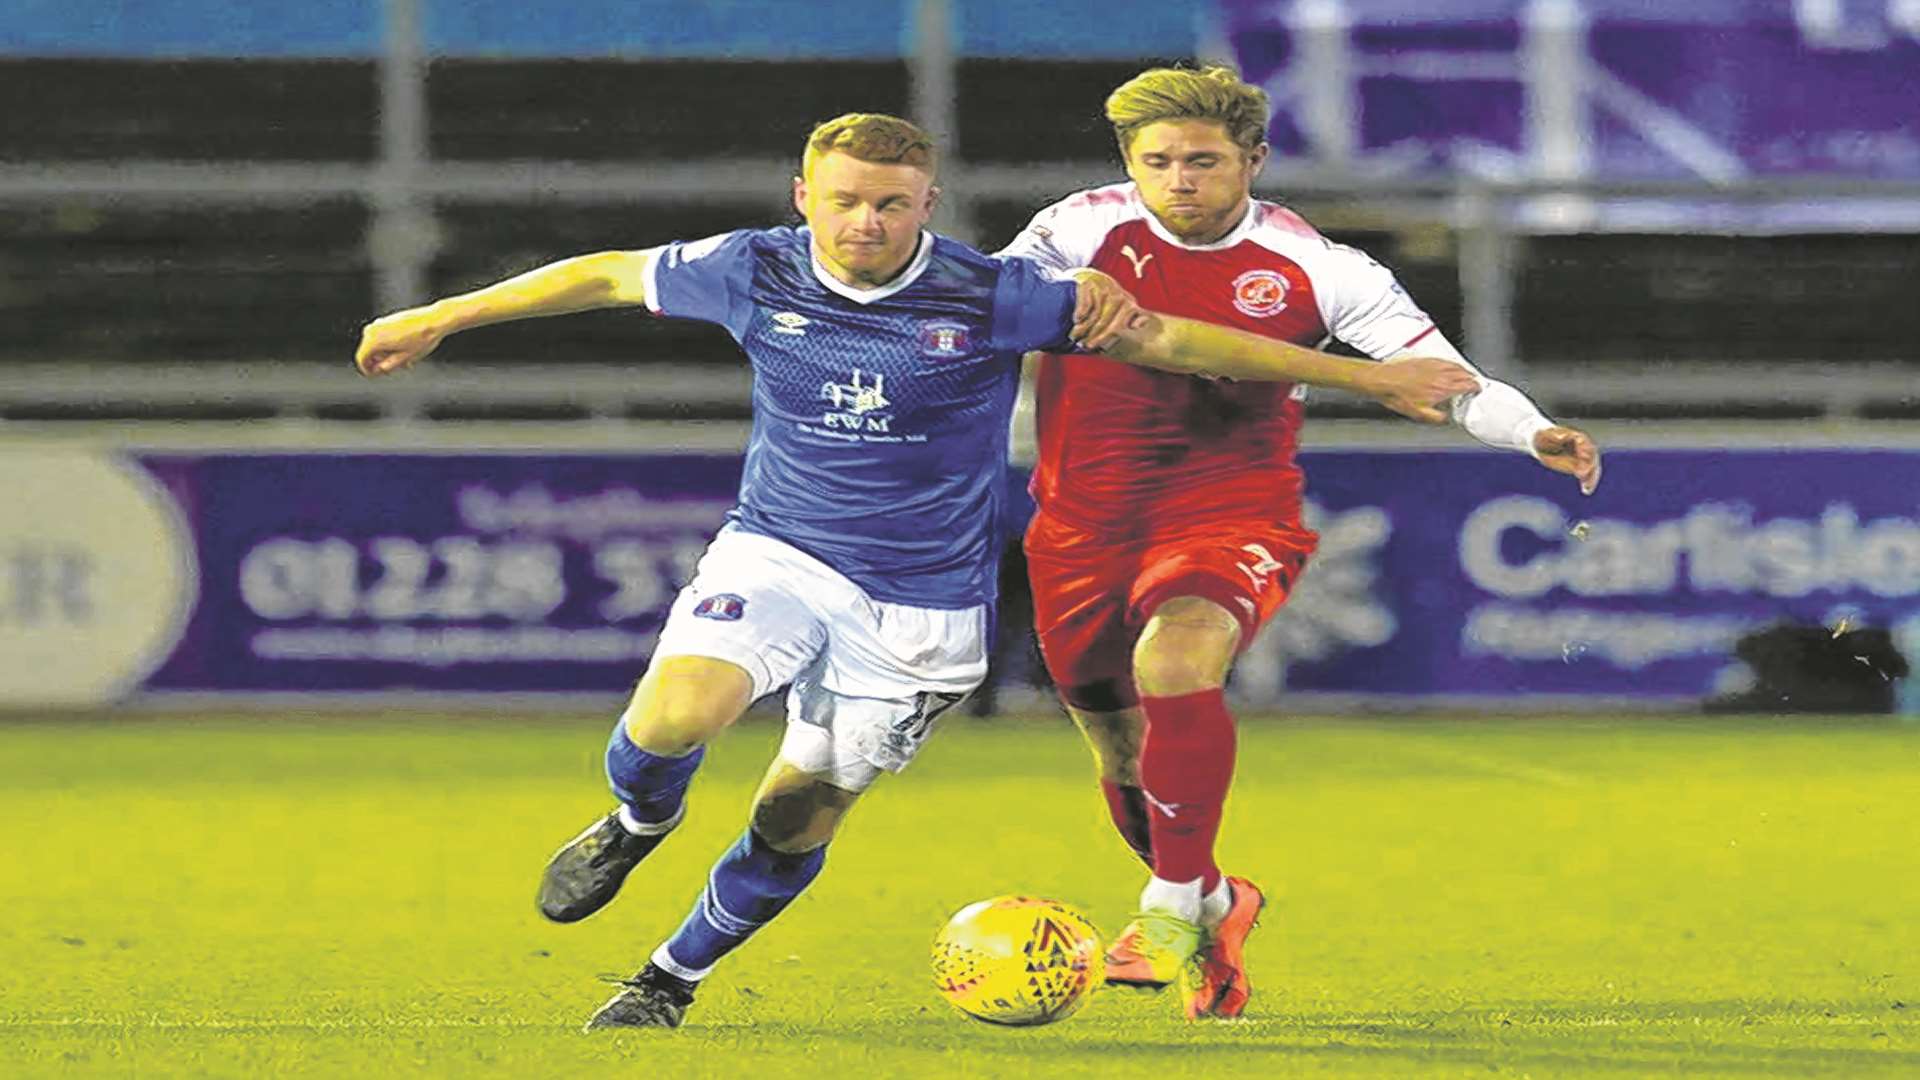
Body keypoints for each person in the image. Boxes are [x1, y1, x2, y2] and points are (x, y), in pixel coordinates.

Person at [354, 112, 1477, 1031]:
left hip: (923, 607)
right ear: (806, 196)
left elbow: (1177, 343)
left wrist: (1369, 378)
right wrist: (443, 315)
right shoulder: (750, 269)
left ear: (926, 207)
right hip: (779, 548)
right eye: (844, 199)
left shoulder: (994, 294)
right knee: (674, 721)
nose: (866, 221)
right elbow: (603, 275)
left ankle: (668, 976)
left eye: (891, 202)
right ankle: (634, 825)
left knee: (795, 815)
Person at [997, 66, 1603, 1020]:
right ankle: (1212, 900)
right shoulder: (1076, 229)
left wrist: (1532, 433)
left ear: (1254, 161)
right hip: (1078, 526)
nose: (1180, 181)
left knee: (1179, 658)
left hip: (1228, 510)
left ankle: (1166, 907)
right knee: (1120, 754)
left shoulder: (1321, 267)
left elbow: (1443, 376)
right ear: (1129, 164)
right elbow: (993, 314)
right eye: (1157, 162)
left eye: (1203, 161)